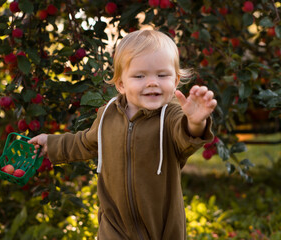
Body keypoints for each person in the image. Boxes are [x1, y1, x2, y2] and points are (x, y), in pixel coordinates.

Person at [28, 29, 217, 240]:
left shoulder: (171, 116)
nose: (152, 82)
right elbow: (85, 143)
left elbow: (186, 138)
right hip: (114, 224)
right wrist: (50, 144)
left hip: (161, 227)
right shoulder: (108, 115)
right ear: (121, 84)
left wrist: (195, 122)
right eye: (139, 76)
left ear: (175, 81)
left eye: (162, 75)